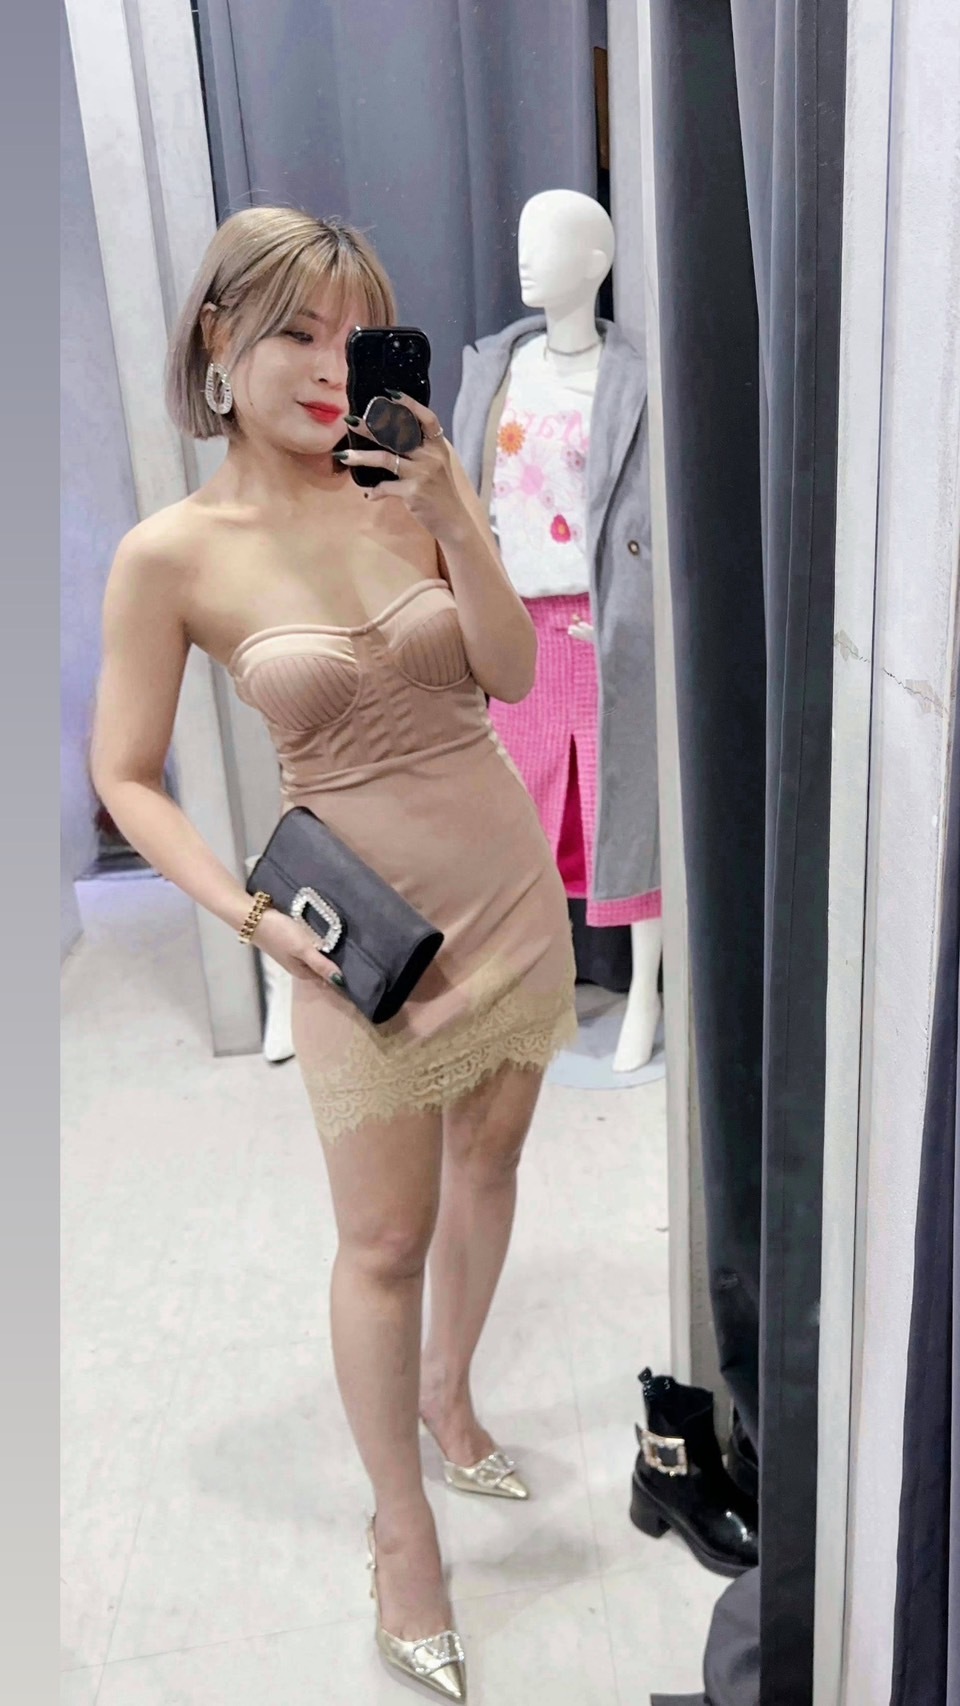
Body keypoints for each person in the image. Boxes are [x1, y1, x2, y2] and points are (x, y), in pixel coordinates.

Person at [89, 205, 578, 1702]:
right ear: (216, 341)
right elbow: (127, 773)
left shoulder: (405, 487)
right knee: (381, 1239)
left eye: (355, 336)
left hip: (506, 888)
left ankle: (450, 1394)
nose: (326, 367)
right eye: (294, 331)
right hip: (353, 937)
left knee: (493, 1162)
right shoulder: (172, 554)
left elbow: (510, 673)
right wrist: (249, 919)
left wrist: (456, 507)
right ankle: (400, 1529)